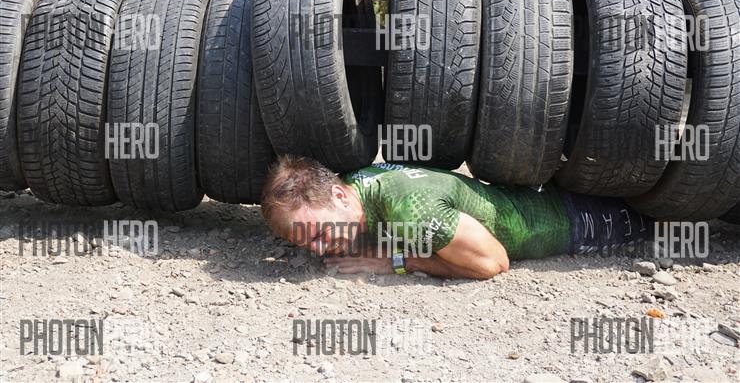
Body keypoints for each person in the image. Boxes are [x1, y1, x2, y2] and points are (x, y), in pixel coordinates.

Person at [260, 155, 651, 279]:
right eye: (307, 243)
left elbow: (493, 263)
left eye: (320, 234)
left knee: (658, 217)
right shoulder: (357, 181)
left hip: (582, 221)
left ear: (338, 195)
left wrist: (397, 262)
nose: (318, 249)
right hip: (550, 192)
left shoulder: (410, 210)